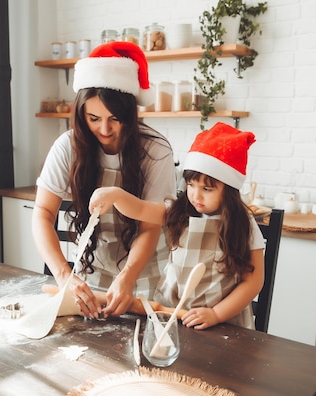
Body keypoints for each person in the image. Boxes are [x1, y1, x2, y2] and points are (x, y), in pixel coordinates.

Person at [32, 41, 176, 319]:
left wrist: (127, 277)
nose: (105, 129)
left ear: (129, 115)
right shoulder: (67, 147)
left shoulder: (156, 151)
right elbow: (43, 213)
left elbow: (150, 227)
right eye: (94, 118)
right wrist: (63, 275)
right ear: (81, 113)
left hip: (144, 278)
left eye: (114, 119)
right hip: (90, 277)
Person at [89, 122, 265, 330]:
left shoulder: (244, 225)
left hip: (221, 322)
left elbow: (253, 282)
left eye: (207, 189)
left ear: (229, 190)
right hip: (171, 313)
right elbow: (141, 210)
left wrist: (216, 314)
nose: (195, 195)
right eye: (191, 185)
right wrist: (115, 195)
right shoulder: (179, 212)